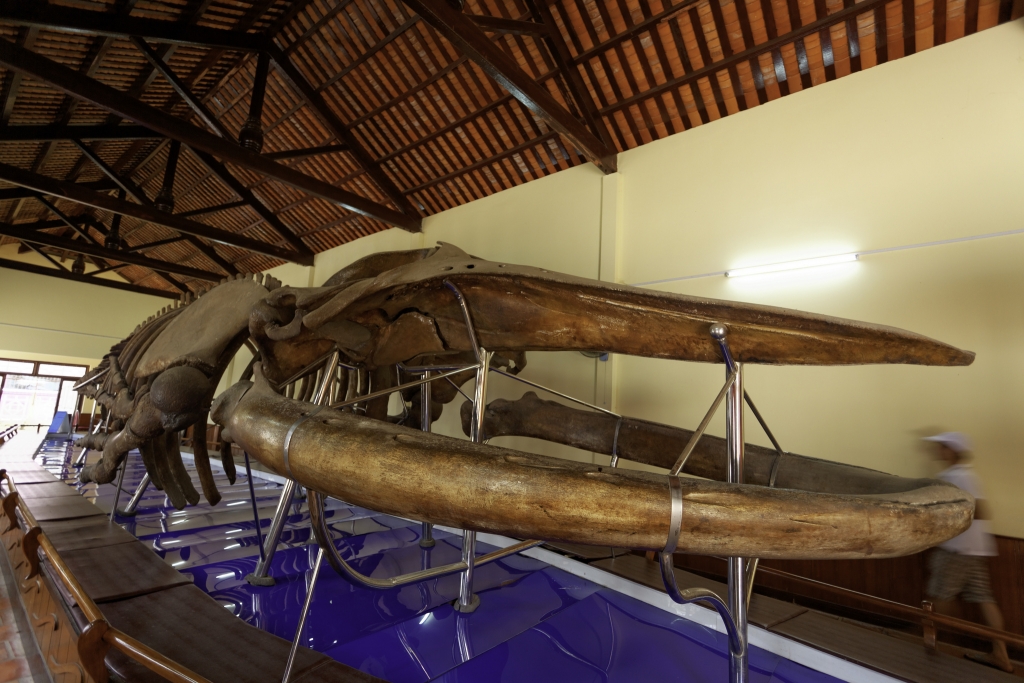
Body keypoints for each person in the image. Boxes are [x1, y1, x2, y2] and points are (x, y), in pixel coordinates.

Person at [924, 432, 1013, 672]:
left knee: (938, 598)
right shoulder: (963, 475)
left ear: (952, 450)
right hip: (973, 550)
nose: (938, 451)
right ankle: (1001, 654)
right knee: (984, 598)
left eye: (942, 446)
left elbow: (981, 511)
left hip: (957, 549)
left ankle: (927, 646)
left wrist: (948, 519)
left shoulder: (958, 477)